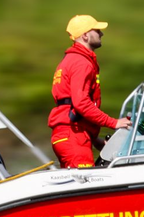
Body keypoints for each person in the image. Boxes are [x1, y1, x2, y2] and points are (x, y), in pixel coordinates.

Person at [49, 15, 131, 168]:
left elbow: (72, 107)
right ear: (85, 35)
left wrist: (96, 141)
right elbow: (81, 104)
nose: (101, 34)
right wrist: (115, 123)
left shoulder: (73, 59)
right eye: (97, 30)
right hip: (74, 137)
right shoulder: (81, 63)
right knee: (85, 185)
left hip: (71, 135)